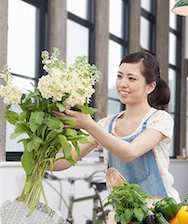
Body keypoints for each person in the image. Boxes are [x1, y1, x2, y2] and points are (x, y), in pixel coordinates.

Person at [53, 51, 180, 202]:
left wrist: (89, 125)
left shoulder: (160, 119)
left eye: (131, 78)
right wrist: (36, 157)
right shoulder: (107, 124)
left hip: (161, 213)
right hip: (122, 217)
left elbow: (130, 152)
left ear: (150, 87)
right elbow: (66, 159)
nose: (122, 84)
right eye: (119, 76)